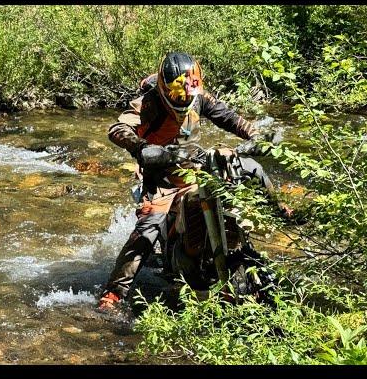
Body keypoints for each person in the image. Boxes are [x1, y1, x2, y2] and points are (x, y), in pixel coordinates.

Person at [97, 51, 291, 312]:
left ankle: (283, 214)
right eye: (178, 93)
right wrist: (142, 148)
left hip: (195, 171)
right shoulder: (148, 103)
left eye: (189, 91)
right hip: (162, 180)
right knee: (148, 229)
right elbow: (118, 129)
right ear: (165, 89)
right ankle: (113, 295)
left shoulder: (197, 97)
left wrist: (256, 135)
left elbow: (230, 118)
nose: (184, 97)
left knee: (246, 174)